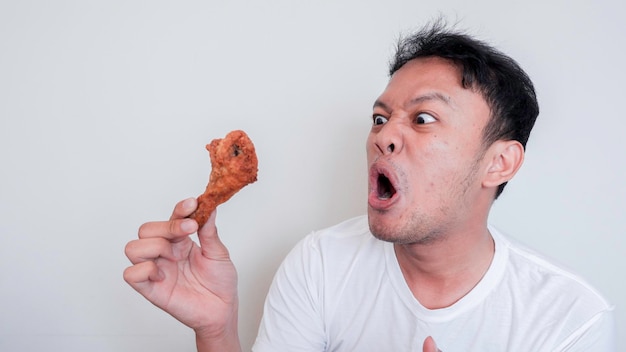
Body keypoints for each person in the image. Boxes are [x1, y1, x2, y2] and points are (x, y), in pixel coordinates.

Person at [124, 20, 616, 351]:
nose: (384, 136)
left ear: (500, 163)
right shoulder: (320, 265)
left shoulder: (570, 320)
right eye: (380, 118)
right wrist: (216, 329)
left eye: (423, 118)